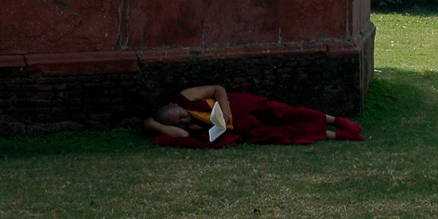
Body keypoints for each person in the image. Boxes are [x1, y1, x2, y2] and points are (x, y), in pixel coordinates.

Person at [144, 84, 362, 149]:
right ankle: (337, 135)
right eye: (179, 121)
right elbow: (180, 134)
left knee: (287, 113)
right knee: (284, 133)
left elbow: (218, 89)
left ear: (175, 105)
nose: (184, 120)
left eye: (181, 115)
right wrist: (154, 125)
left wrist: (225, 112)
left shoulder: (185, 97)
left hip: (241, 107)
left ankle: (336, 120)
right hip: (241, 127)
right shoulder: (186, 126)